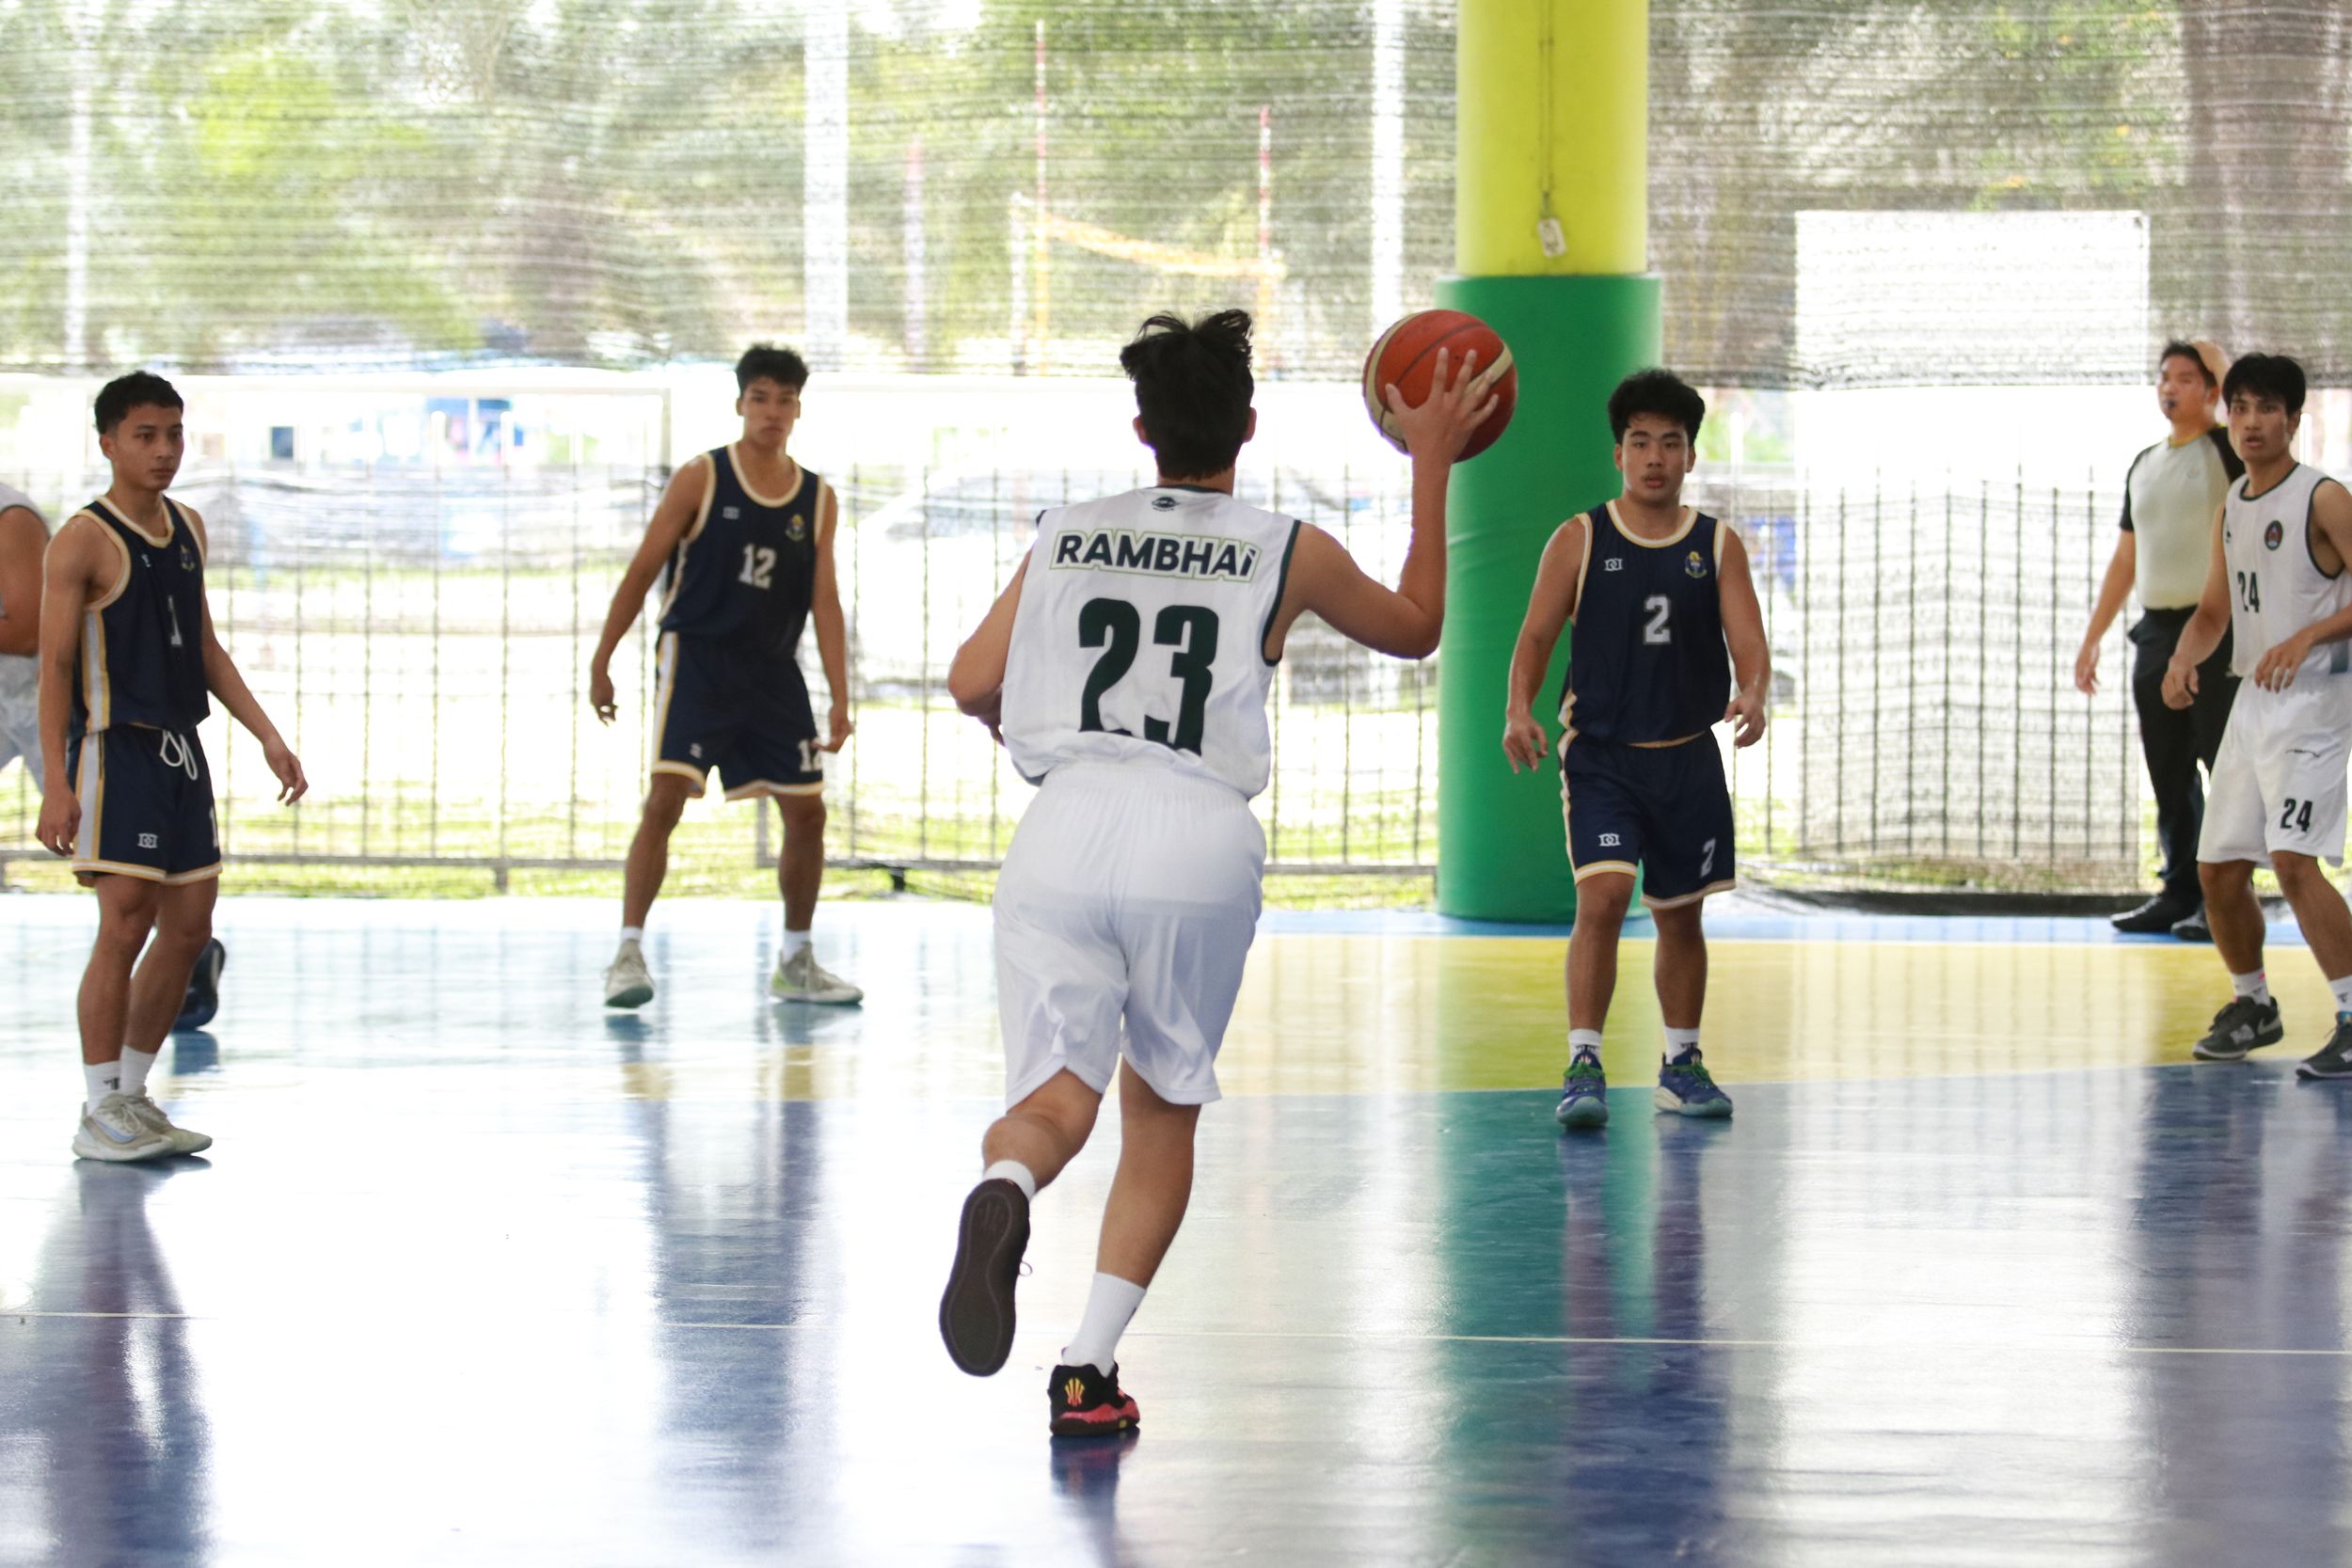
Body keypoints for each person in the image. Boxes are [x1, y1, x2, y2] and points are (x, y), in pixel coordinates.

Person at [934, 309, 1494, 1435]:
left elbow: (966, 679)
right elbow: (1417, 624)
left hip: (1064, 825)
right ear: (1247, 425)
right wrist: (1430, 459)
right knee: (1159, 1112)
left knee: (1052, 1099)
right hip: (1193, 835)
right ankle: (1086, 1367)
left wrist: (1015, 718)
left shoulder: (1064, 534)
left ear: (1141, 429)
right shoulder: (1286, 546)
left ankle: (1005, 1186)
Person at [34, 372, 307, 1162]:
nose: (164, 450)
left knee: (188, 929)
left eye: (175, 434)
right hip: (117, 748)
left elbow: (205, 645)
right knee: (124, 923)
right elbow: (55, 667)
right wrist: (57, 781)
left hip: (182, 752)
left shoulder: (188, 526)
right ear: (108, 442)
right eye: (146, 435)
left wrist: (267, 734)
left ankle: (132, 1093)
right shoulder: (82, 539)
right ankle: (98, 1108)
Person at [1500, 369, 1770, 1131]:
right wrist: (1518, 708)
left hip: (1687, 757)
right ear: (1619, 453)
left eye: (1671, 443)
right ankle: (1583, 1062)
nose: (1655, 456)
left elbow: (1749, 643)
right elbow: (1536, 636)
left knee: (1681, 917)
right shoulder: (1580, 538)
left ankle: (1680, 1064)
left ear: (1690, 456)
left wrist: (1753, 691)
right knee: (1605, 896)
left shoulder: (1717, 545)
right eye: (1641, 442)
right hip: (1604, 758)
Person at [588, 344, 860, 1009]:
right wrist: (602, 658)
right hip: (698, 659)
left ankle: (796, 958)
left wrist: (840, 698)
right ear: (741, 403)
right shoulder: (701, 477)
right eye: (761, 398)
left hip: (773, 670)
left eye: (785, 400)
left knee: (808, 811)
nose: (773, 411)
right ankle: (628, 951)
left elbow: (825, 601)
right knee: (666, 798)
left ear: (799, 410)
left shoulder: (817, 498)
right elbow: (642, 570)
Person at [2161, 353, 2352, 1078]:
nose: (2250, 422)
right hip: (2254, 701)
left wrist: (2309, 636)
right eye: (2239, 407)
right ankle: (2254, 1004)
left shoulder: (2324, 499)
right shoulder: (2232, 506)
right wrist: (2184, 657)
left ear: (2293, 419)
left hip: (2317, 701)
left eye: (2267, 408)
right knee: (2217, 869)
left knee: (2295, 862)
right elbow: (2214, 612)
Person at [2076, 340, 2242, 941]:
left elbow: (2247, 420)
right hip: (2155, 631)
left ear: (2211, 389)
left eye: (2186, 377)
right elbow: (2127, 557)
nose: (2170, 387)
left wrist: (2222, 365)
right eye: (2164, 377)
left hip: (2216, 630)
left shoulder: (2227, 448)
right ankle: (2180, 890)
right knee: (2168, 768)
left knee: (2221, 762)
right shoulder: (2144, 463)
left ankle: (2226, 898)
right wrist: (2092, 637)